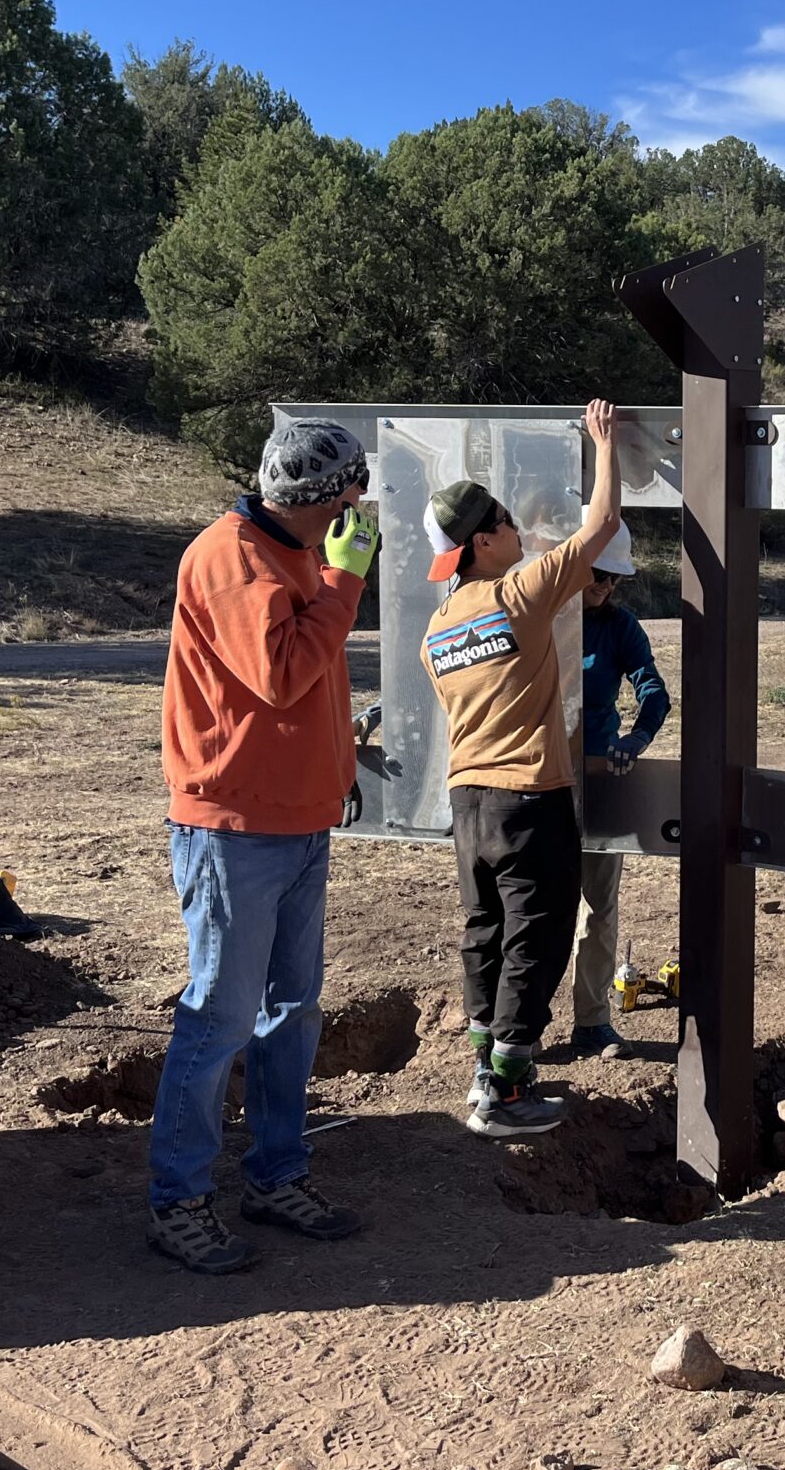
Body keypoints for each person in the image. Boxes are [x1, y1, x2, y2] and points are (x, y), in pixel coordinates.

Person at [147, 417, 380, 1275]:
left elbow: (304, 690)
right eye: (354, 492)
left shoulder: (297, 556)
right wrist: (347, 582)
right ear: (335, 497)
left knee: (291, 1012)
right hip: (232, 830)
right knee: (219, 1019)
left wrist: (332, 773)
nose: (363, 506)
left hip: (296, 823)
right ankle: (178, 1201)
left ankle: (277, 1175)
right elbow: (282, 672)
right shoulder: (232, 554)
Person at [422, 398, 623, 1138]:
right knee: (536, 937)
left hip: (467, 804)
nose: (516, 533)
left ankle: (486, 1066)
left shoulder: (441, 626)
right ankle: (505, 1093)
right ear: (482, 541)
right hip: (527, 800)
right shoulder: (518, 595)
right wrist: (603, 444)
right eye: (506, 525)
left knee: (485, 931)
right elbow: (598, 528)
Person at [567, 520, 670, 1061]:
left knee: (598, 908)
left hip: (600, 784)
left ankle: (592, 1023)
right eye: (598, 575)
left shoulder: (620, 627)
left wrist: (638, 737)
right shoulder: (540, 616)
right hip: (537, 780)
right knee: (538, 908)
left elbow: (653, 690)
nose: (605, 586)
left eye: (614, 579)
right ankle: (520, 1029)